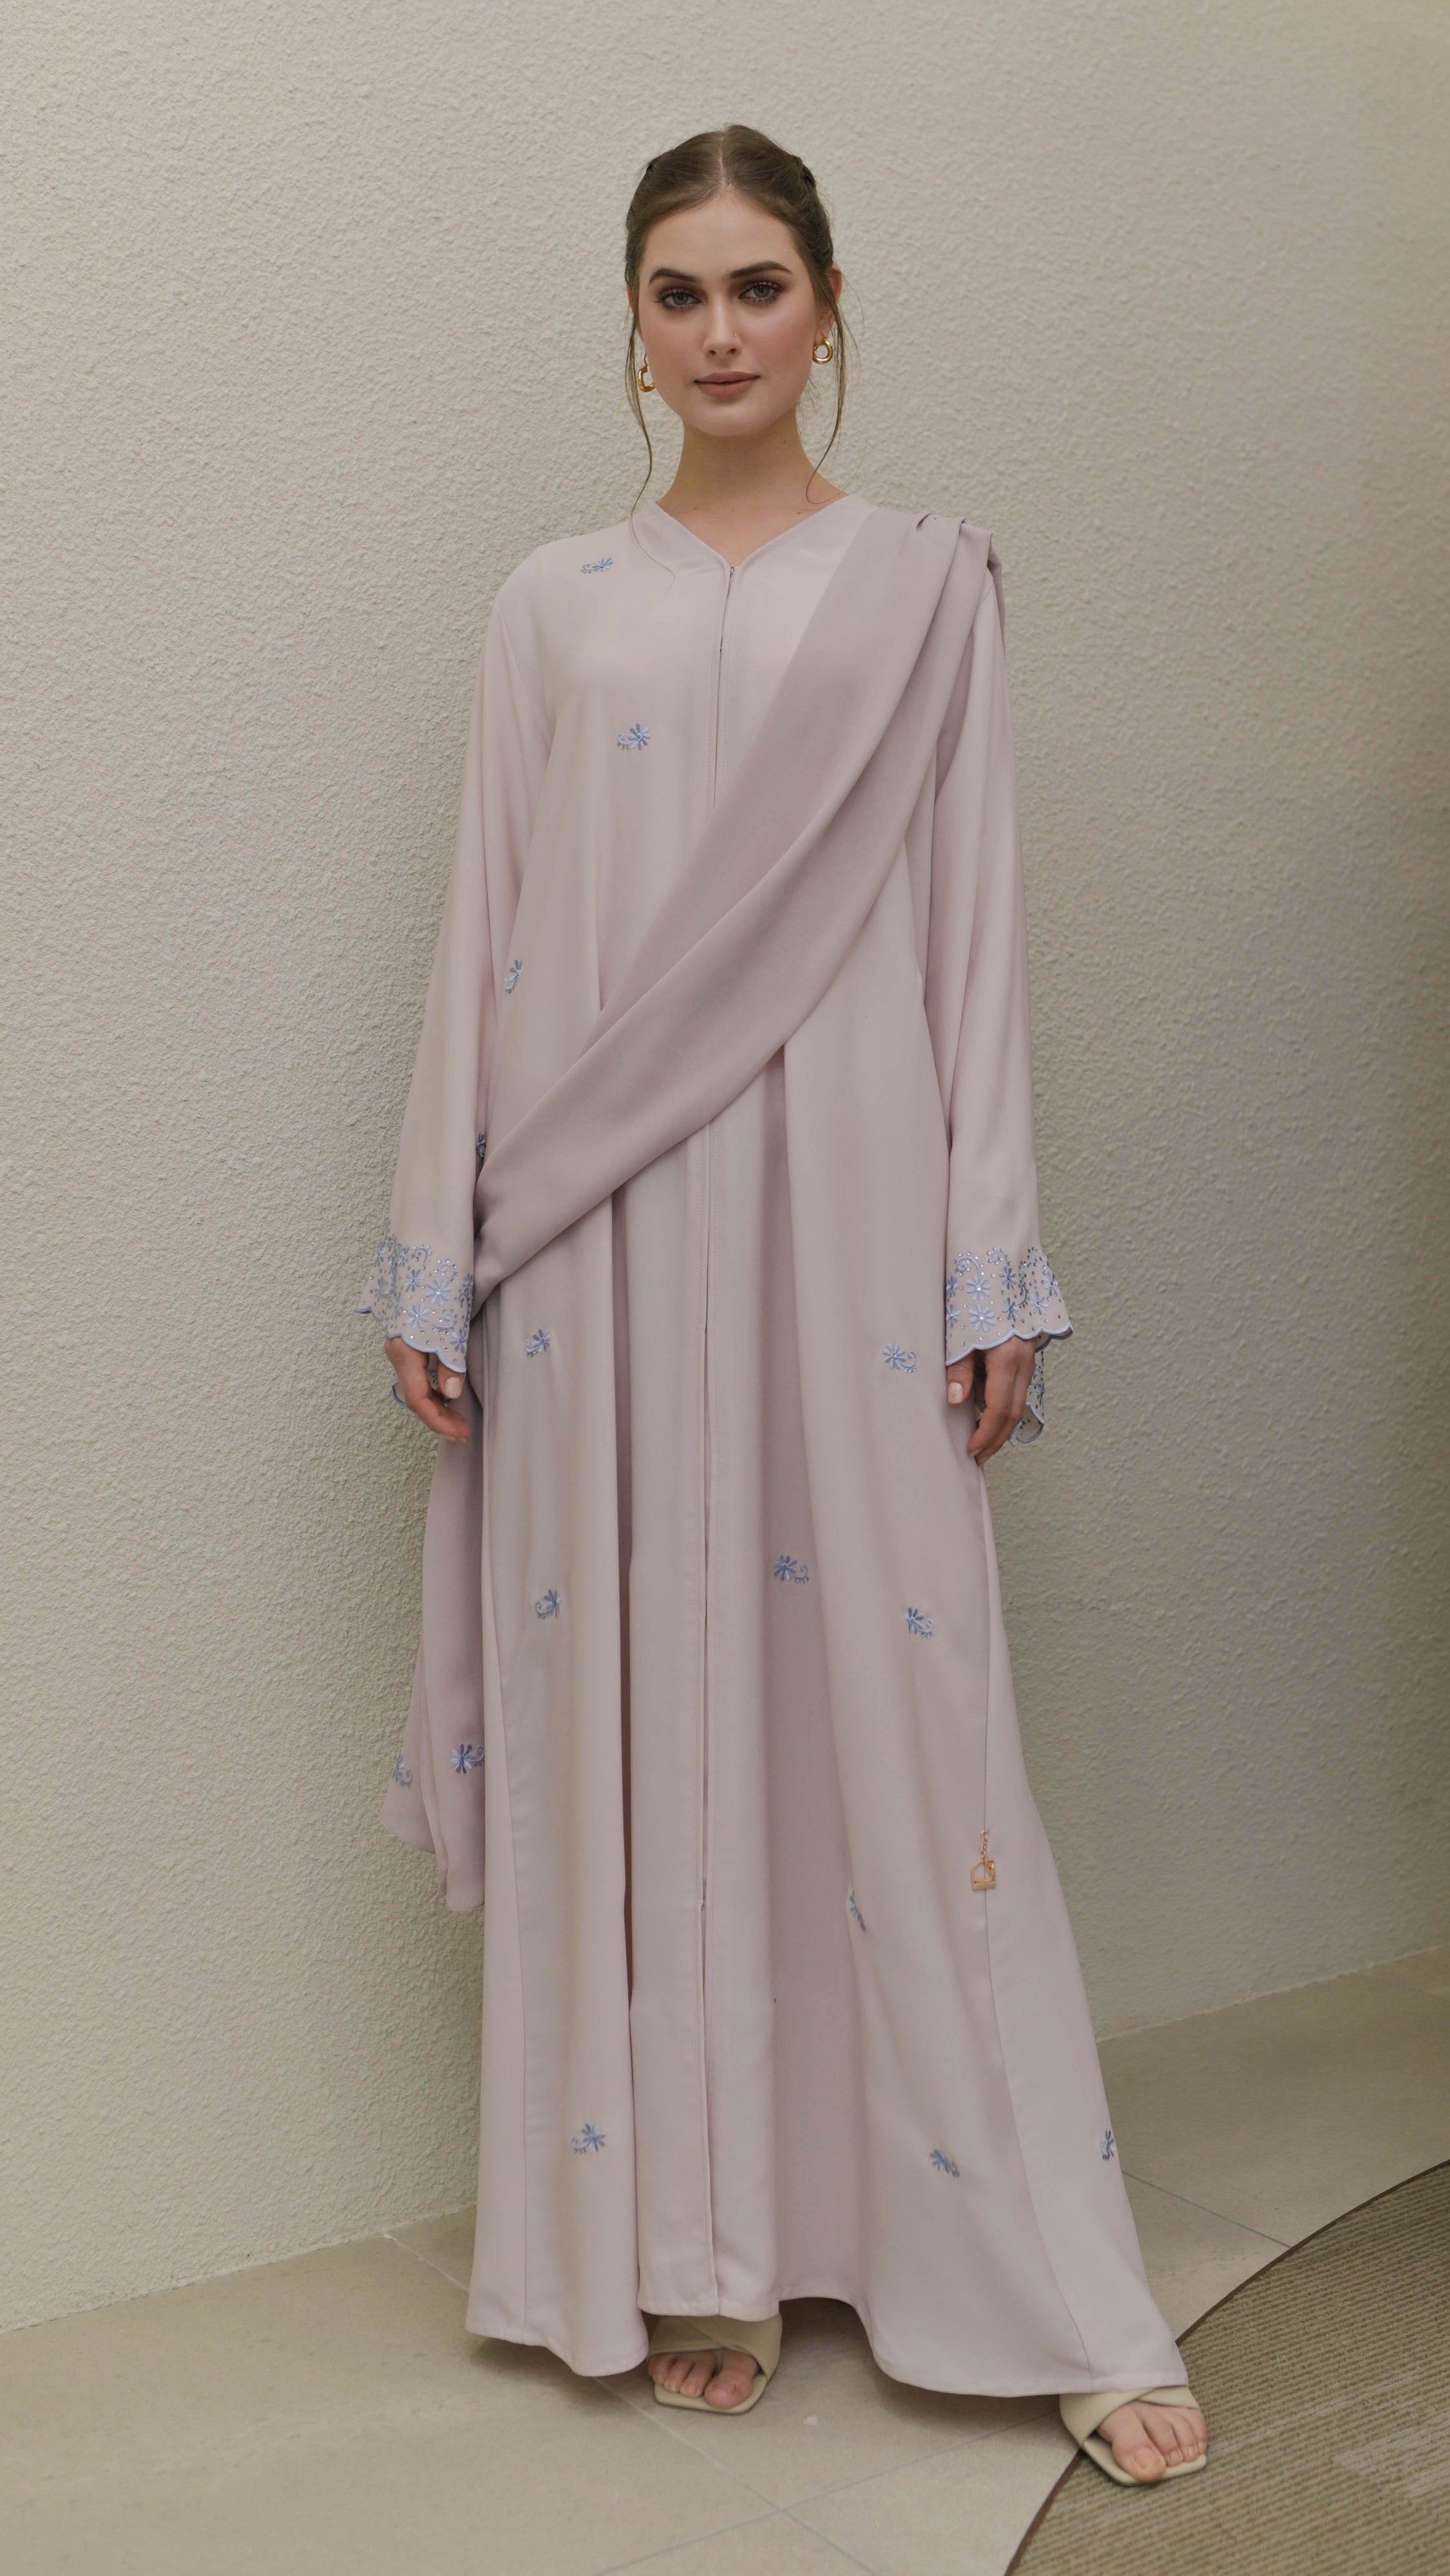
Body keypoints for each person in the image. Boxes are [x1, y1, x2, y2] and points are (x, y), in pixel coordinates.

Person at [359, 125, 1208, 2490]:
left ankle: (1043, 2281)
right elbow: (484, 933)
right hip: (594, 1247)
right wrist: (436, 1240)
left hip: (848, 1222)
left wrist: (985, 1252)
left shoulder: (921, 593)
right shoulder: (552, 603)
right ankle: (697, 2256)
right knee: (645, 1715)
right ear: (629, 326)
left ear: (827, 301)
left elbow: (974, 935)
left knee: (901, 1728)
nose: (718, 331)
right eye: (676, 292)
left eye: (756, 285)